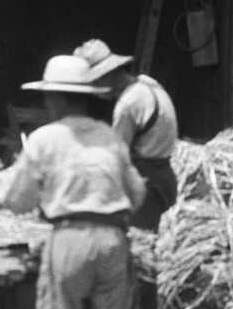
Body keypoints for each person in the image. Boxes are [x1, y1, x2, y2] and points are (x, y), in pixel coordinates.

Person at [0, 53, 146, 309]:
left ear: (57, 99)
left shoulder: (45, 139)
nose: (46, 104)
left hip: (70, 238)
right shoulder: (109, 136)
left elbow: (18, 199)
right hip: (113, 239)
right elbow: (137, 193)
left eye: (48, 97)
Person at [73, 39, 179, 233]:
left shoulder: (127, 105)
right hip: (165, 176)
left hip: (147, 182)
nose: (95, 94)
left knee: (141, 240)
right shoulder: (147, 83)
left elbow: (116, 156)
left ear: (105, 77)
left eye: (94, 85)